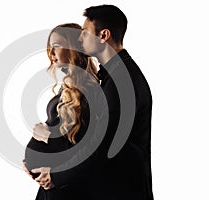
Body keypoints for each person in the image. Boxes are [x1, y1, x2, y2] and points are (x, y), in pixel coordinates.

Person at [29, 5, 155, 200]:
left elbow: (100, 145)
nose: (79, 38)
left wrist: (56, 174)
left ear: (103, 35)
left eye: (85, 33)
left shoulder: (123, 82)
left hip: (123, 190)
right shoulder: (114, 78)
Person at [23, 23, 100, 200]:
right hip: (50, 185)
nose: (51, 54)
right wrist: (32, 160)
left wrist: (46, 136)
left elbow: (83, 147)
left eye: (56, 46)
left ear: (73, 48)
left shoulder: (89, 90)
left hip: (65, 188)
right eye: (50, 48)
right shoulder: (68, 86)